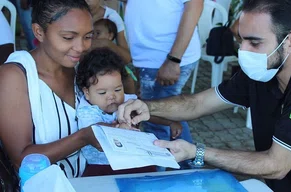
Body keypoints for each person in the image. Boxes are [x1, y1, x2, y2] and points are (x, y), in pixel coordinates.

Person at [117, 0, 291, 191]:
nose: (243, 51)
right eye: (241, 40)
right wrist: (146, 107)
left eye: (254, 42)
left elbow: (275, 165)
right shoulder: (264, 70)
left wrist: (196, 151)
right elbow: (197, 104)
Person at [0, 0, 102, 178]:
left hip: (81, 183)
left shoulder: (80, 69)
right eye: (68, 38)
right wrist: (84, 137)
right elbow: (21, 159)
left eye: (88, 36)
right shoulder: (16, 76)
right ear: (39, 32)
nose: (81, 47)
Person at [76, 47, 183, 175]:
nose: (112, 96)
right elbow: (94, 129)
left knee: (149, 174)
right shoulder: (87, 110)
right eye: (102, 92)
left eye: (117, 89)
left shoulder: (127, 101)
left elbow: (146, 114)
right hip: (101, 165)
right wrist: (117, 127)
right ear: (87, 92)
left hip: (133, 158)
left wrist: (170, 122)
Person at [124, 0, 203, 164]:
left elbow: (194, 7)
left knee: (157, 120)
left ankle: (179, 171)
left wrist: (174, 59)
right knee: (167, 116)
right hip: (149, 58)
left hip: (165, 59)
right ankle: (187, 168)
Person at [93, 18, 138, 93]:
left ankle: (132, 98)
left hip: (117, 69)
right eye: (92, 33)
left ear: (110, 36)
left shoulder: (113, 50)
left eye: (98, 33)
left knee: (128, 79)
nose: (94, 37)